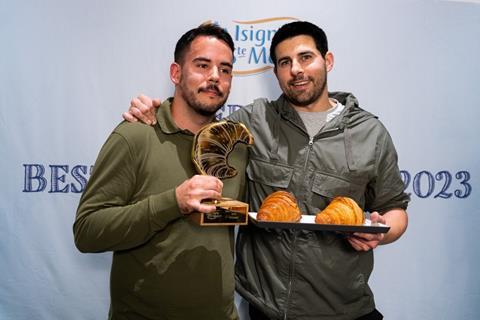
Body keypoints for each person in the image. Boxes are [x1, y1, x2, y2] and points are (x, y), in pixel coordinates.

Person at [124, 21, 409, 320]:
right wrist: (155, 110)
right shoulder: (254, 119)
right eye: (285, 62)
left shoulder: (371, 133)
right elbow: (198, 126)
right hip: (266, 308)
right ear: (276, 73)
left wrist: (381, 234)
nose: (296, 69)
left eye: (305, 57)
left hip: (346, 309)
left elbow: (395, 209)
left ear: (328, 61)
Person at [73, 24, 248, 320]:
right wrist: (173, 202)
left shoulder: (237, 147)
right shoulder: (136, 136)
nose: (215, 77)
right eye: (202, 65)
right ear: (176, 73)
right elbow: (87, 231)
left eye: (225, 69)